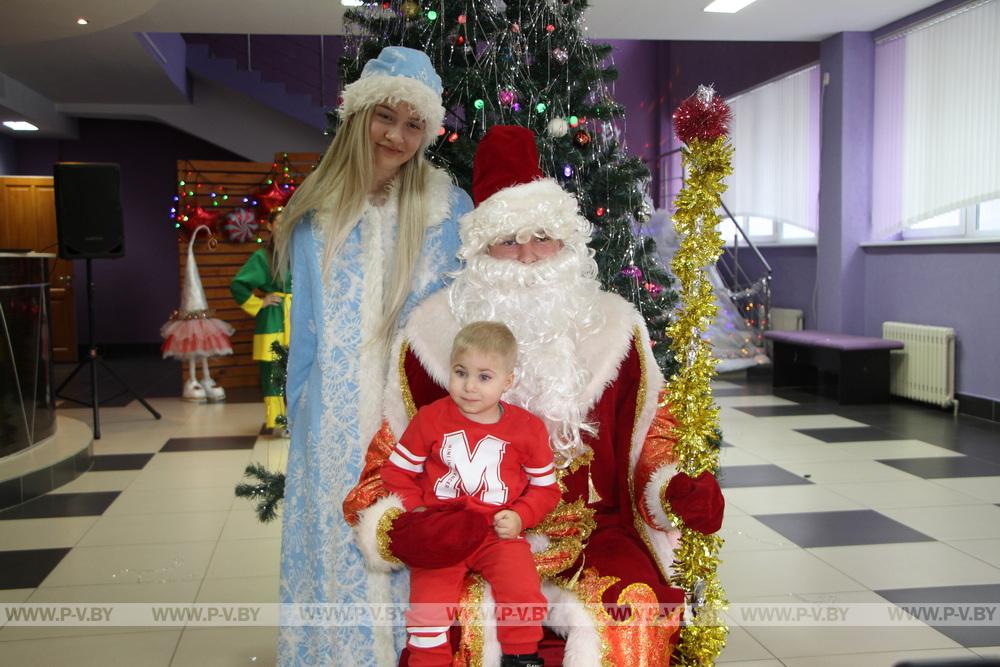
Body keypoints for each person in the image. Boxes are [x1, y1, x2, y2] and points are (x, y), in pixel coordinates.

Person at [344, 126, 724, 666]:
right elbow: (388, 461)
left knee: (629, 609)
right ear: (480, 249)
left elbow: (650, 443)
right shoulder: (430, 338)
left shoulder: (615, 327)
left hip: (597, 532)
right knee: (459, 622)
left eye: (542, 235)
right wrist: (401, 528)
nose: (526, 256)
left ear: (567, 242)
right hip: (471, 536)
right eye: (508, 239)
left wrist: (672, 490)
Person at [273, 46, 474, 666]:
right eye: (386, 117)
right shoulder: (315, 214)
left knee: (410, 541)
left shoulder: (448, 210)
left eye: (415, 124)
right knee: (335, 544)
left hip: (414, 414)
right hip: (330, 414)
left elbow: (462, 320)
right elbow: (305, 331)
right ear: (359, 115)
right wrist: (300, 408)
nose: (398, 136)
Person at [381, 321, 558, 667]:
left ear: (508, 381)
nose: (469, 386)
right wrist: (418, 513)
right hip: (443, 533)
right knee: (428, 604)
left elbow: (546, 488)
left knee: (522, 588)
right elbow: (396, 472)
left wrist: (522, 515)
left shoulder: (527, 429)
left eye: (484, 377)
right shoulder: (431, 418)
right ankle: (427, 660)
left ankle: (521, 657)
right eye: (461, 372)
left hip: (496, 531)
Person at [230, 210, 291, 434]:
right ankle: (279, 420)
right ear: (269, 226)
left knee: (299, 370)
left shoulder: (301, 252)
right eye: (279, 223)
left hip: (299, 319)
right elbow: (238, 285)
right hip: (274, 319)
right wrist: (259, 302)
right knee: (273, 369)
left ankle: (299, 420)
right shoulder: (262, 257)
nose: (284, 227)